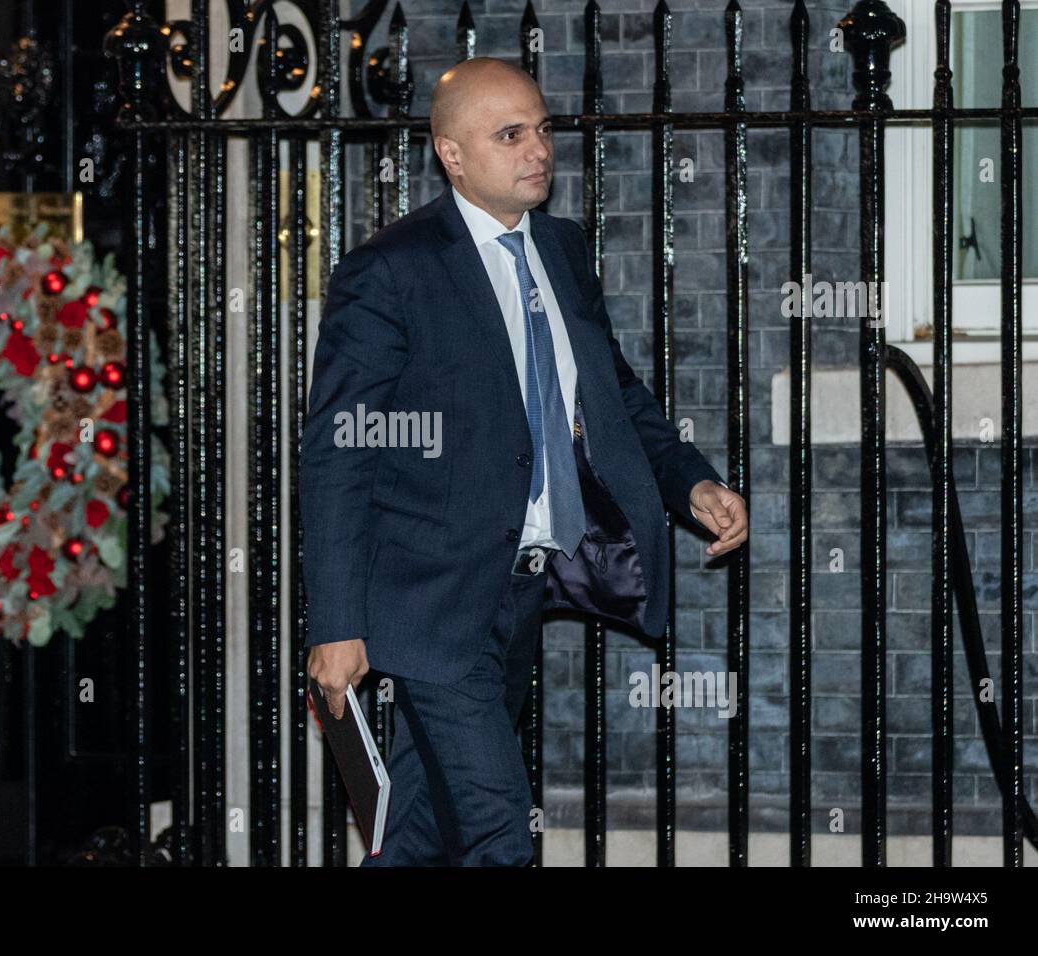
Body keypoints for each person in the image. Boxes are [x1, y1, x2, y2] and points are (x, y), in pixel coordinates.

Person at [300, 57, 748, 866]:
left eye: (542, 129)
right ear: (453, 154)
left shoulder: (562, 249)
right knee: (501, 833)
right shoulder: (392, 270)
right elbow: (340, 454)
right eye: (510, 134)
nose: (537, 149)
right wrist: (338, 625)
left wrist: (692, 481)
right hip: (426, 606)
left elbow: (612, 393)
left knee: (419, 831)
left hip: (519, 589)